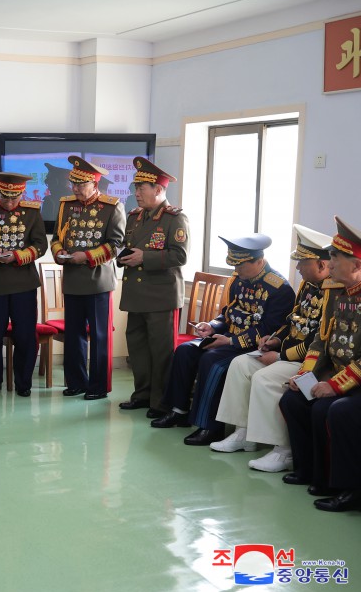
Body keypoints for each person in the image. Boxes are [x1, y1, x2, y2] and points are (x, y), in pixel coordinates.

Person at [212, 225, 338, 472]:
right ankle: (243, 434)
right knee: (240, 364)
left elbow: (318, 338)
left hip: (308, 361)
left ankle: (282, 450)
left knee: (264, 378)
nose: (298, 268)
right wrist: (274, 339)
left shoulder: (332, 292)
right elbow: (293, 321)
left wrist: (280, 355)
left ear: (321, 265)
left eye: (302, 262)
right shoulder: (307, 286)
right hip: (286, 351)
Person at [152, 233, 295, 445]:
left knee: (211, 360)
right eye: (234, 265)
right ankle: (178, 410)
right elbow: (228, 314)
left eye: (240, 266)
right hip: (228, 338)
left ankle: (210, 426)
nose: (236, 270)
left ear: (259, 261)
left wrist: (230, 342)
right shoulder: (239, 280)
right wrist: (211, 326)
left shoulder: (279, 289)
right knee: (185, 351)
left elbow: (269, 329)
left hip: (251, 346)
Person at [280, 216, 361, 512]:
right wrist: (304, 375)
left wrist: (335, 385)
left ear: (355, 265)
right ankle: (311, 472)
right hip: (337, 375)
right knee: (294, 399)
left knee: (334, 409)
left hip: (355, 382)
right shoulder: (335, 292)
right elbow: (320, 341)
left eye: (335, 259)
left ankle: (349, 489)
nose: (331, 264)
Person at [117, 157, 189, 417]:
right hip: (136, 295)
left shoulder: (175, 219)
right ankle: (142, 394)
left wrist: (143, 258)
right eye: (135, 189)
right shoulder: (135, 217)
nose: (136, 194)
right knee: (137, 348)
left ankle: (161, 402)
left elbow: (179, 256)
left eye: (141, 189)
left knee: (161, 353)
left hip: (161, 296)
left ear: (159, 190)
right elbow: (130, 247)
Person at [51, 156, 125, 400]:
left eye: (80, 184)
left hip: (98, 281)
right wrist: (59, 251)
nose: (74, 189)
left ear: (95, 183)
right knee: (73, 336)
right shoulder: (66, 205)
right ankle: (76, 383)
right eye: (73, 183)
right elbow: (57, 238)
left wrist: (87, 256)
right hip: (72, 280)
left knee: (100, 337)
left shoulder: (112, 206)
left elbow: (116, 246)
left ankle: (98, 387)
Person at [0, 172, 48, 397]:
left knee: (25, 335)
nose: (10, 202)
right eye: (5, 197)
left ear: (22, 193)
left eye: (14, 198)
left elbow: (41, 245)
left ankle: (23, 383)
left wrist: (18, 256)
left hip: (23, 283)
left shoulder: (32, 211)